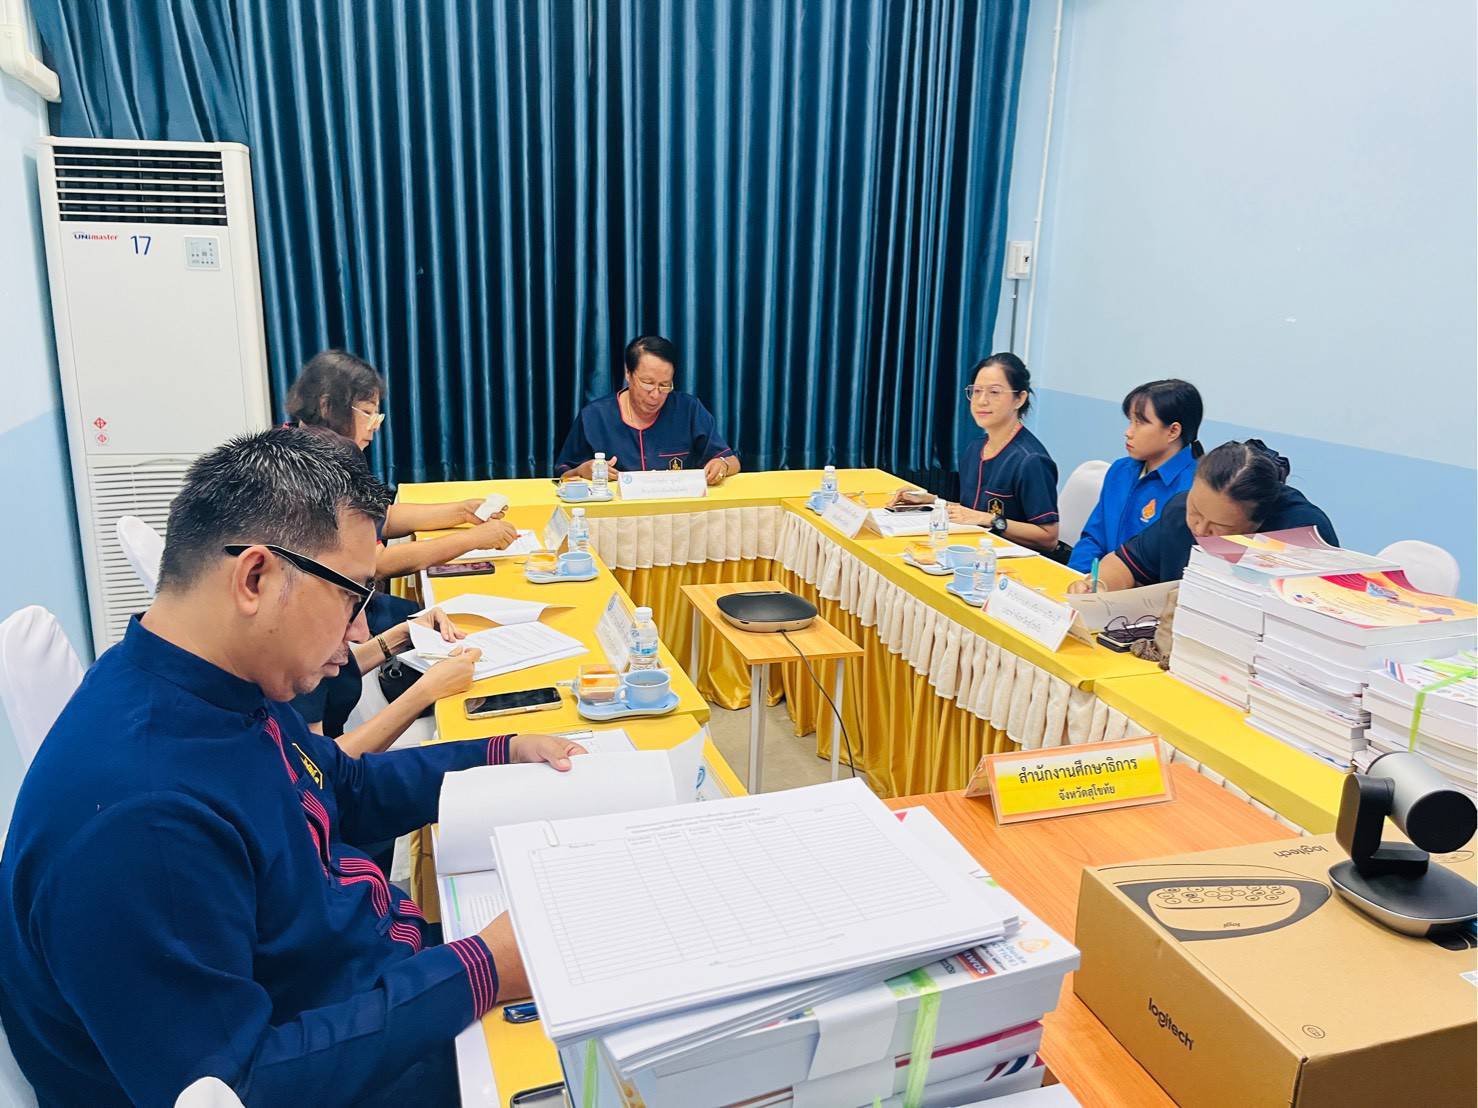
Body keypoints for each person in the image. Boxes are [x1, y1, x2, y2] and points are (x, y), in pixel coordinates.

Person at [0, 427, 586, 1105]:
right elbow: (240, 1084)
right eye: (352, 595)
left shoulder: (215, 682)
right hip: (314, 1054)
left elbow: (345, 785)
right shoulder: (145, 819)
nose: (360, 631)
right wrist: (481, 969)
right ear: (255, 578)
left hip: (350, 978)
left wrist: (500, 751)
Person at [286, 350, 521, 579]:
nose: (375, 425)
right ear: (327, 406)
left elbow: (382, 519)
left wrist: (463, 511)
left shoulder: (297, 444)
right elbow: (376, 563)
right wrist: (474, 539)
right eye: (367, 413)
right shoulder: (313, 470)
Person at [1067, 439, 1338, 592]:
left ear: (1257, 521)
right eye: (1196, 510)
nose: (1199, 528)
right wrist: (1098, 585)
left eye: (1218, 525)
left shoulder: (1300, 533)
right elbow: (1126, 563)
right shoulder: (1179, 511)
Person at [891, 353, 1062, 556]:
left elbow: (1048, 538)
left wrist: (990, 520)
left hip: (1013, 563)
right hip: (972, 552)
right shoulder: (975, 448)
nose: (981, 401)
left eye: (994, 392)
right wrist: (931, 501)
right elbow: (971, 512)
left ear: (1020, 399)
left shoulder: (1030, 460)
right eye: (977, 391)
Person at [554, 335, 740, 484]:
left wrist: (722, 465)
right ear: (628, 374)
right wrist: (582, 471)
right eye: (648, 383)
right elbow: (562, 475)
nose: (656, 394)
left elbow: (732, 461)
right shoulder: (594, 416)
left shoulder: (689, 410)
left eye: (665, 385)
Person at [1067, 379, 1204, 572]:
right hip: (1097, 583)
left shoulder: (1195, 489)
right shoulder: (1120, 470)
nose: (1128, 432)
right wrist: (1076, 577)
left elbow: (1172, 568)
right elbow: (1094, 538)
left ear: (1173, 431)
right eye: (1130, 421)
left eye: (1139, 423)